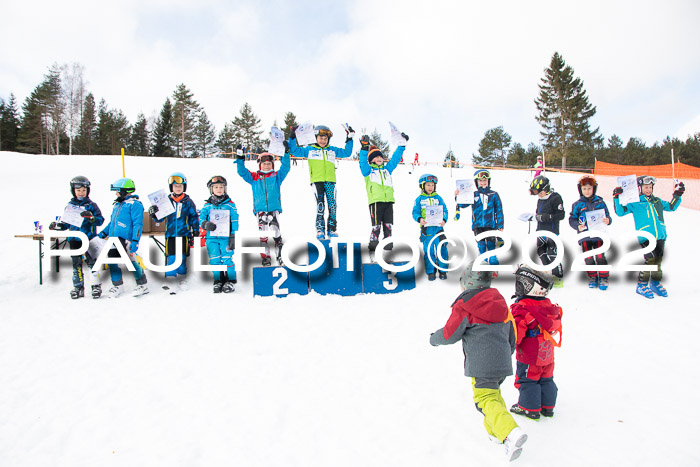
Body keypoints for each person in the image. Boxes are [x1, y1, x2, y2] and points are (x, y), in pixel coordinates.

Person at [430, 262, 527, 462]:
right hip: (501, 362)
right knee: (493, 396)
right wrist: (506, 353)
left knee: (485, 400)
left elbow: (450, 334)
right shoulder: (500, 302)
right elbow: (512, 332)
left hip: (482, 364)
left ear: (467, 283)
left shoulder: (465, 305)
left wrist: (434, 339)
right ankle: (496, 435)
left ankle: (510, 431)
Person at [613, 176, 684, 298]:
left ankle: (655, 283)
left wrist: (678, 193)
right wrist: (616, 197)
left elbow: (672, 207)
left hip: (660, 235)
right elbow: (620, 212)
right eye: (646, 187)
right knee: (650, 259)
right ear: (639, 188)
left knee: (658, 260)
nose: (648, 189)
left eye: (650, 187)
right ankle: (642, 285)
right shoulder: (635, 203)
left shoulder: (658, 201)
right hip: (645, 236)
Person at [509, 265, 562, 421]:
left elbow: (516, 333)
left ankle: (529, 408)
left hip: (530, 354)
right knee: (546, 378)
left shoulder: (523, 309)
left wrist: (510, 345)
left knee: (528, 379)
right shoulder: (548, 307)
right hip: (547, 352)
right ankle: (547, 407)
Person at [287, 124, 354, 239]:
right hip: (317, 181)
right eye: (320, 138)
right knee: (320, 205)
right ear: (315, 138)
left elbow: (347, 153)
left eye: (325, 139)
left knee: (332, 205)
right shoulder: (310, 150)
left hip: (330, 182)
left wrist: (349, 139)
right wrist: (292, 137)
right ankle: (320, 229)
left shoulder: (332, 150)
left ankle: (332, 229)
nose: (323, 141)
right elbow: (295, 151)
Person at [49, 176, 105, 299]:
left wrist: (91, 218)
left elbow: (100, 221)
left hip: (89, 238)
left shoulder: (91, 205)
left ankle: (96, 286)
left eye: (84, 190)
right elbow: (66, 223)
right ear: (73, 191)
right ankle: (78, 287)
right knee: (76, 263)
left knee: (92, 263)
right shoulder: (70, 206)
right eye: (78, 190)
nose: (81, 193)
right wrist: (57, 226)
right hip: (74, 239)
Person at [235, 148, 290, 266]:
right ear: (260, 165)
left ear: (272, 165)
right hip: (260, 210)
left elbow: (286, 168)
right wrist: (240, 159)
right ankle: (266, 257)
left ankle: (280, 255)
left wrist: (285, 153)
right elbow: (242, 172)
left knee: (275, 231)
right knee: (263, 233)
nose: (266, 166)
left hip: (273, 208)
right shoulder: (254, 177)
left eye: (269, 164)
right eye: (264, 164)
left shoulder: (276, 176)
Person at [148, 172, 199, 294]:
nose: (178, 188)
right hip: (170, 234)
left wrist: (195, 231)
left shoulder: (188, 202)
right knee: (171, 257)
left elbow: (193, 217)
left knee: (181, 258)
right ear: (171, 187)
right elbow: (159, 218)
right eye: (175, 186)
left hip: (184, 234)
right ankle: (170, 279)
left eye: (180, 186)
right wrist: (153, 213)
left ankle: (181, 278)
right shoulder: (166, 201)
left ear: (184, 187)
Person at [97, 178, 149, 298]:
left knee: (131, 262)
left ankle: (143, 284)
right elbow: (112, 223)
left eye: (117, 191)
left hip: (127, 239)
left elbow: (138, 224)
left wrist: (135, 240)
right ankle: (117, 285)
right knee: (112, 261)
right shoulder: (117, 204)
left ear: (125, 191)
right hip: (113, 239)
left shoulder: (135, 205)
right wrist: (103, 233)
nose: (115, 194)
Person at [358, 134, 407, 257]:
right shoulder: (368, 171)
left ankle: (388, 248)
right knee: (376, 226)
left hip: (388, 202)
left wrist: (402, 145)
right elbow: (362, 162)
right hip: (375, 202)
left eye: (380, 156)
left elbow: (395, 159)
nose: (379, 158)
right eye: (376, 157)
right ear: (371, 160)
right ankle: (373, 248)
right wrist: (365, 148)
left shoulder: (387, 170)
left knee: (388, 226)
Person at [568, 175, 612, 290]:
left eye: (589, 188)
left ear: (594, 189)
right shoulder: (577, 205)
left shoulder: (600, 202)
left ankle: (603, 277)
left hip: (598, 235)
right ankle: (592, 276)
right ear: (580, 190)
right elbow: (572, 219)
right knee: (588, 257)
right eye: (584, 189)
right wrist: (578, 226)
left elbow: (607, 216)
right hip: (585, 236)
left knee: (600, 256)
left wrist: (608, 220)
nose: (587, 191)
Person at [454, 169, 504, 266]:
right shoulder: (473, 195)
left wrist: (500, 224)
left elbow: (499, 210)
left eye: (485, 180)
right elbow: (463, 205)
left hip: (491, 224)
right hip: (477, 225)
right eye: (480, 181)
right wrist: (458, 196)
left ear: (488, 181)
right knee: (481, 246)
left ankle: (493, 267)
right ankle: (483, 267)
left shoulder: (494, 195)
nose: (483, 182)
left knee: (490, 245)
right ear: (476, 182)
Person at [199, 175, 239, 293]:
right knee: (214, 259)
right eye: (216, 187)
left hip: (225, 237)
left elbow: (235, 221)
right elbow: (201, 219)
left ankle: (231, 280)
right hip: (211, 238)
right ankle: (218, 280)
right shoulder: (207, 205)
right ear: (211, 189)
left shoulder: (230, 204)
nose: (219, 189)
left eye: (221, 187)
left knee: (227, 258)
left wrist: (233, 235)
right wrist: (205, 224)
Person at [529, 175, 565, 284]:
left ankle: (558, 275)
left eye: (540, 192)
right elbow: (538, 214)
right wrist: (533, 217)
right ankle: (549, 273)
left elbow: (561, 215)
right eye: (537, 193)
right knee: (541, 252)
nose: (539, 195)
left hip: (551, 231)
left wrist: (547, 217)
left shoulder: (555, 198)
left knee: (551, 252)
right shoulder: (540, 200)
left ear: (546, 188)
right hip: (540, 231)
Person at [412, 174, 449, 280]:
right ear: (422, 186)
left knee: (442, 249)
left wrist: (444, 220)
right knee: (429, 251)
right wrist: (420, 219)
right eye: (428, 185)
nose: (430, 187)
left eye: (432, 185)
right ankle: (430, 270)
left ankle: (443, 270)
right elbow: (415, 212)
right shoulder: (419, 199)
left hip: (438, 229)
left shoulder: (438, 198)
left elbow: (445, 210)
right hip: (426, 230)